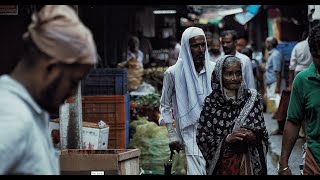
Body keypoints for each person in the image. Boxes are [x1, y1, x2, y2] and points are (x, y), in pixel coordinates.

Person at [0, 5, 97, 174]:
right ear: (51, 68)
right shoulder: (13, 119)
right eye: (73, 82)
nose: (73, 93)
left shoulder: (31, 111)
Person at [196, 55, 269, 175]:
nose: (234, 78)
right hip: (223, 166)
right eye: (229, 74)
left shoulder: (252, 98)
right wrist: (227, 140)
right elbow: (202, 137)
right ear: (219, 75)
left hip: (249, 163)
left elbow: (263, 133)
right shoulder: (211, 102)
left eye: (238, 73)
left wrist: (253, 135)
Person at [159, 27, 215, 175]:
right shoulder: (173, 73)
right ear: (186, 47)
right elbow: (164, 105)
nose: (201, 49)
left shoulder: (214, 69)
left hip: (215, 134)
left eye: (203, 45)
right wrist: (172, 134)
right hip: (189, 133)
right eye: (196, 46)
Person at [278, 24, 320, 175]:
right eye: (316, 56)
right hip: (314, 160)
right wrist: (283, 164)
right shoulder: (302, 81)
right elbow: (293, 121)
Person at [264, 37, 283, 135]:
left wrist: (277, 86)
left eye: (267, 42)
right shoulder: (271, 54)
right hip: (271, 84)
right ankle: (278, 128)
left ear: (271, 44)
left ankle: (280, 128)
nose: (265, 44)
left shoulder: (275, 54)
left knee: (277, 107)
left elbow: (277, 71)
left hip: (274, 83)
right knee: (273, 107)